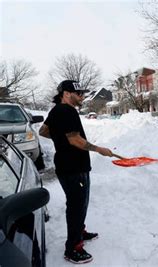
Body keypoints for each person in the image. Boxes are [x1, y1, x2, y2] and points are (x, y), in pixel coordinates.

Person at [39, 80, 114, 264]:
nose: (82, 96)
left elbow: (44, 130)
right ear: (66, 93)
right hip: (74, 167)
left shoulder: (56, 111)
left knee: (78, 204)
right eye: (78, 93)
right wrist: (99, 149)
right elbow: (75, 140)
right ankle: (73, 248)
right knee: (77, 207)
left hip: (66, 167)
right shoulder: (67, 111)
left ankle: (79, 231)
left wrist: (59, 137)